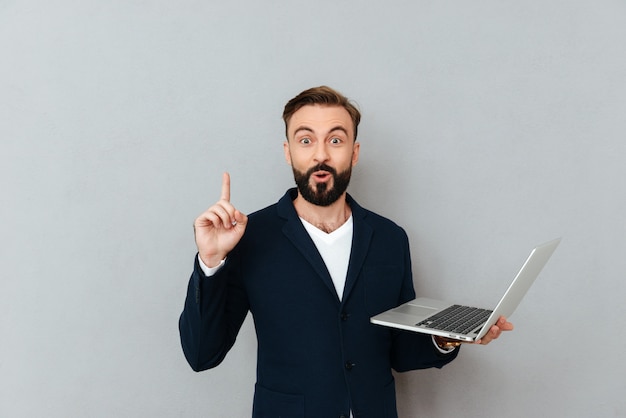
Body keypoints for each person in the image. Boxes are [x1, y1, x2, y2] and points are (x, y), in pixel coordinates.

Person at [179, 86, 513, 417]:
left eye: (335, 140)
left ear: (354, 153)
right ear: (288, 151)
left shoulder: (389, 238)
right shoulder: (250, 237)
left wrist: (448, 338)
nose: (320, 154)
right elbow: (201, 354)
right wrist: (210, 261)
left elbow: (399, 351)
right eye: (306, 140)